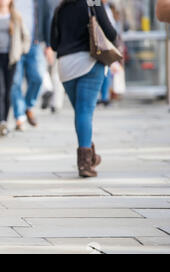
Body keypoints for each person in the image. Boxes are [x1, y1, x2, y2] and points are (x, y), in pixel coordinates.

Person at [51, 0, 117, 178]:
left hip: (65, 67)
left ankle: (90, 155)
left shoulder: (60, 8)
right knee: (85, 112)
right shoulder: (92, 2)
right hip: (88, 62)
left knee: (81, 112)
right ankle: (85, 164)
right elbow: (110, 32)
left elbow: (54, 43)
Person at [0, 0, 30, 136]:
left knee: (8, 91)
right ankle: (1, 122)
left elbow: (26, 37)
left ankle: (4, 120)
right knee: (0, 90)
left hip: (10, 59)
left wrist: (20, 51)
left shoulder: (16, 16)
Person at [11, 0, 49, 131]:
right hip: (15, 43)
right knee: (15, 82)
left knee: (38, 77)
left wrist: (48, 44)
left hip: (34, 43)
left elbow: (46, 15)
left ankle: (28, 106)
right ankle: (19, 116)